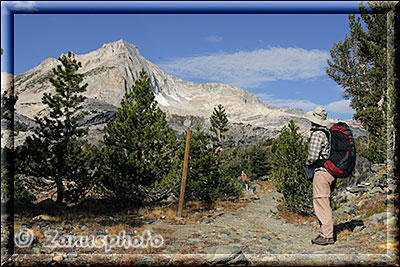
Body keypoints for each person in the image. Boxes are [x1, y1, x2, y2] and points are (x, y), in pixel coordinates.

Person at [305, 106, 336, 246]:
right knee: (325, 202)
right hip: (330, 172)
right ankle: (324, 232)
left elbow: (313, 156)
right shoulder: (327, 133)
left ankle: (327, 235)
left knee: (321, 203)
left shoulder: (317, 134)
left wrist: (307, 164)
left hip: (322, 172)